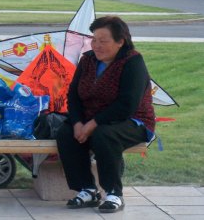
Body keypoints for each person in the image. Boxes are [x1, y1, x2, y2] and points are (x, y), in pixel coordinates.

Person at [56, 16, 155, 214]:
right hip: (92, 118)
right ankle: (87, 189)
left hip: (133, 120)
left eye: (103, 41)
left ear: (120, 42)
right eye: (94, 40)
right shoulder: (88, 60)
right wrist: (76, 123)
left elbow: (126, 105)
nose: (97, 45)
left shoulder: (132, 62)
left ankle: (113, 193)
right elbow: (73, 95)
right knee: (66, 133)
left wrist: (92, 124)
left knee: (104, 134)